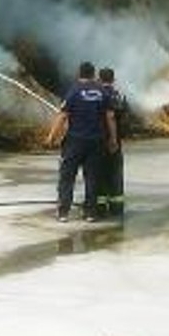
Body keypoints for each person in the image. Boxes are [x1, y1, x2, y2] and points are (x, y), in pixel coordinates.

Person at [46, 61, 117, 223]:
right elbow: (110, 117)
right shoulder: (102, 92)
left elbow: (62, 116)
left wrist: (52, 137)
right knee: (92, 177)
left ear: (79, 74)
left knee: (67, 177)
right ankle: (90, 213)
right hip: (97, 142)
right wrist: (112, 139)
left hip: (75, 142)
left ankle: (63, 212)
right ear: (93, 74)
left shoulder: (74, 91)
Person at [96, 68, 128, 217]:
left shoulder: (97, 95)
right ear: (113, 79)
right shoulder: (120, 96)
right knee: (115, 175)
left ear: (99, 79)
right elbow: (124, 115)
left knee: (98, 174)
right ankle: (117, 208)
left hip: (99, 141)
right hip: (116, 142)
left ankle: (100, 208)